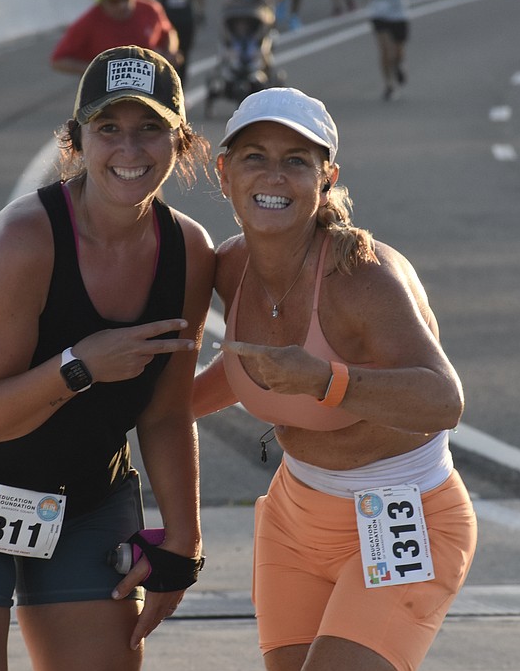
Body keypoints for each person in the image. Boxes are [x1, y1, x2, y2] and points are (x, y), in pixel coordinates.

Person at [0, 45, 214, 670]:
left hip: (87, 496)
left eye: (150, 129)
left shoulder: (188, 253)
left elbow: (167, 413)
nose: (130, 149)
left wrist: (182, 541)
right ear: (75, 140)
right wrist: (79, 364)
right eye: (108, 128)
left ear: (181, 142)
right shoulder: (24, 241)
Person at [193, 87, 476, 671]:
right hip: (295, 520)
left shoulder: (362, 277)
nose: (274, 175)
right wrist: (130, 410)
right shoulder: (230, 266)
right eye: (255, 157)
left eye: (296, 161)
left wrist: (326, 380)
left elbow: (444, 399)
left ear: (326, 177)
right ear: (224, 173)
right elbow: (253, 370)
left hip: (405, 511)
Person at [51, 0, 179, 76]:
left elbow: (168, 32)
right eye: (114, 0)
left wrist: (170, 52)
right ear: (101, 0)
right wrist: (95, 71)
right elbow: (58, 60)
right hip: (107, 94)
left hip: (150, 83)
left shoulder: (151, 9)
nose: (122, 5)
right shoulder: (88, 23)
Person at [360, 0, 420, 101]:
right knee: (384, 50)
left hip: (398, 11)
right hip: (378, 12)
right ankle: (389, 85)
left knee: (397, 51)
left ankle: (399, 65)